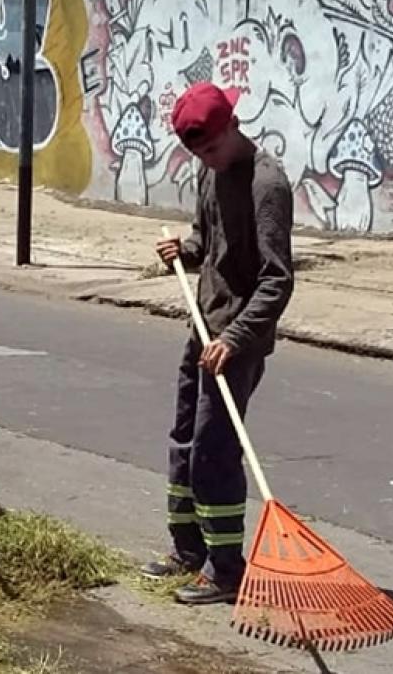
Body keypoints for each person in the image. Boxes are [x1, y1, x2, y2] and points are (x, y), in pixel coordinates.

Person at [143, 81, 295, 605]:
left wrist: (236, 337)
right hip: (202, 327)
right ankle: (187, 548)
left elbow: (277, 280)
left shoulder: (266, 184)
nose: (206, 160)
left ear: (233, 124)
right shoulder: (210, 172)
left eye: (211, 148)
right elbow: (209, 245)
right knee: (184, 438)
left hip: (236, 340)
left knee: (215, 449)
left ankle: (226, 568)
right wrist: (183, 252)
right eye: (198, 154)